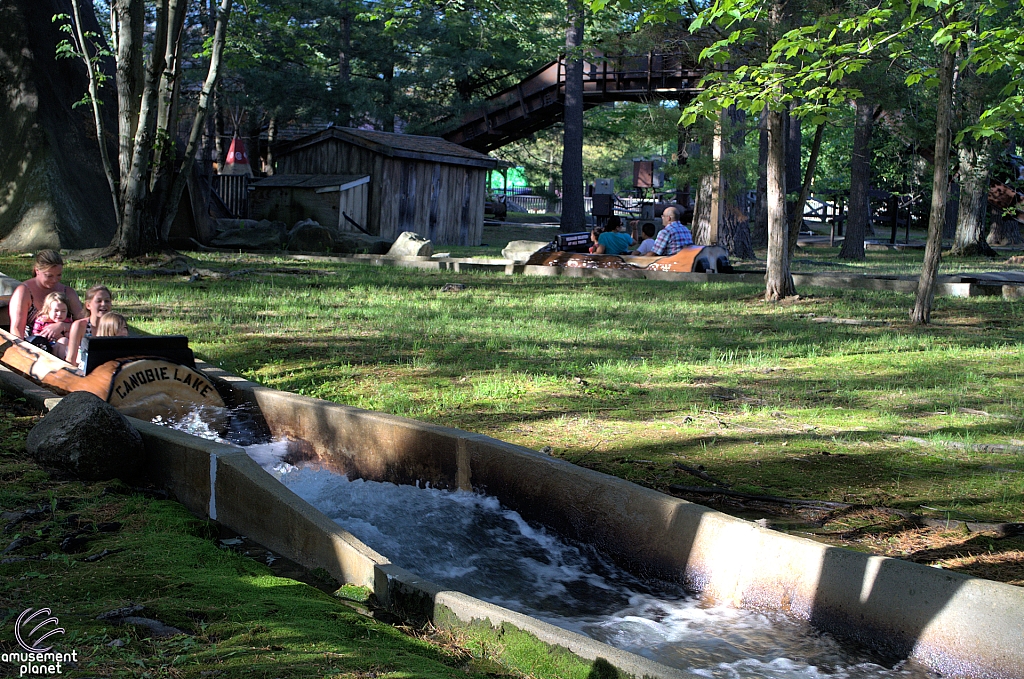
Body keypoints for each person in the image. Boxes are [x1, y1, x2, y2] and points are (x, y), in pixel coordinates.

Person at [8, 250, 84, 340]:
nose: (55, 280)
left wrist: (63, 326)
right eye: (49, 276)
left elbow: (85, 323)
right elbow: (16, 329)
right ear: (37, 271)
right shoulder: (24, 292)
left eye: (58, 275)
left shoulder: (67, 292)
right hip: (33, 345)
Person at [66, 285, 114, 370]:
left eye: (107, 301)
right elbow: (71, 359)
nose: (103, 304)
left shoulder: (114, 326)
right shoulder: (79, 326)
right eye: (99, 301)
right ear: (88, 305)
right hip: (84, 373)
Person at [28, 292, 72, 358]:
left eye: (63, 311)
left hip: (60, 348)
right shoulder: (42, 320)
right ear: (48, 310)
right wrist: (45, 336)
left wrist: (65, 334)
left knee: (64, 340)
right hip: (46, 347)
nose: (59, 314)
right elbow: (35, 335)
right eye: (56, 311)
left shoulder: (67, 321)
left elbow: (73, 335)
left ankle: (62, 362)